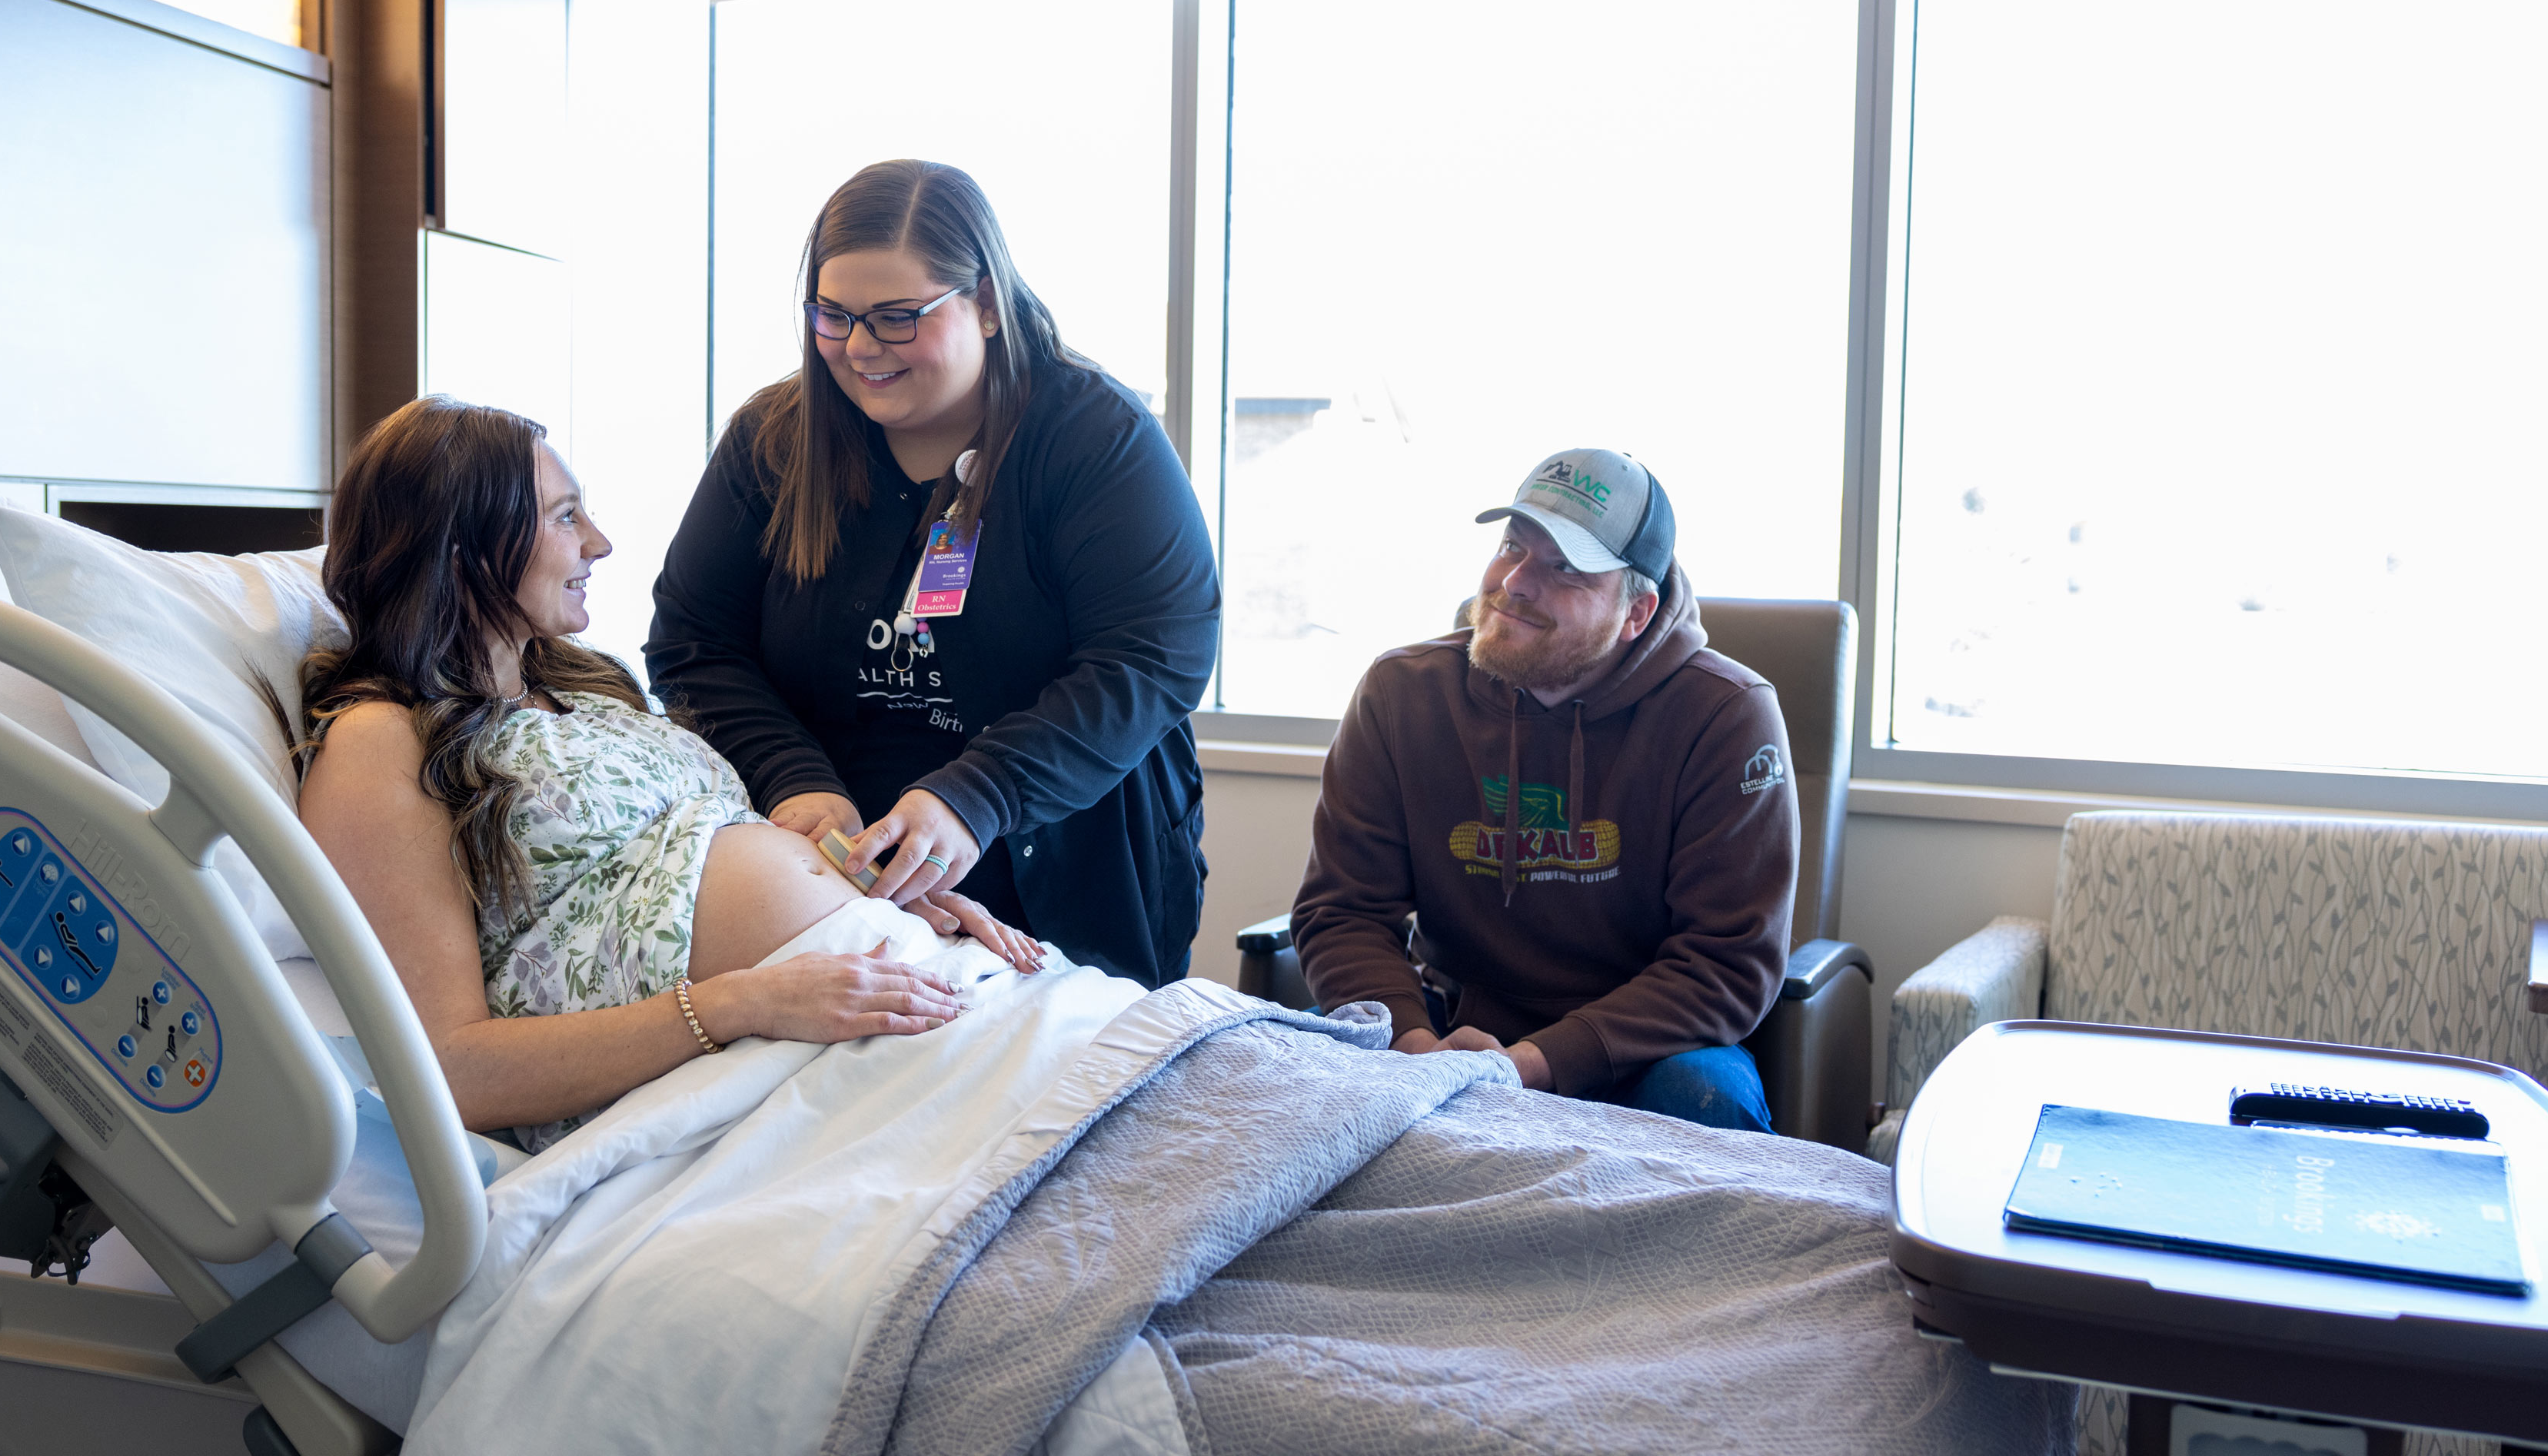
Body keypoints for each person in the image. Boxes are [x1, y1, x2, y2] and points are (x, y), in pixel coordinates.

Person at [296, 396, 1045, 1150]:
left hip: (860, 988)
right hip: (741, 1057)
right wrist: (742, 1003)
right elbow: (450, 1068)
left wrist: (877, 888)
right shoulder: (380, 739)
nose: (600, 542)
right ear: (460, 546)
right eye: (565, 516)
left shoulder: (584, 687)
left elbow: (695, 848)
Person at [648, 160, 1218, 988]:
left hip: (1064, 871)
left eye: (897, 317)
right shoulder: (772, 441)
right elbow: (695, 643)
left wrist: (977, 795)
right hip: (838, 880)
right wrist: (793, 781)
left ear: (986, 302)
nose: (860, 348)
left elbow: (1153, 657)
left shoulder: (1095, 436)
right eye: (834, 316)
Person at [1290, 448, 1799, 1132]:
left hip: (1646, 1046)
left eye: (1566, 568)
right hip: (1447, 1026)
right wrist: (1417, 1049)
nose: (1516, 582)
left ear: (1637, 612)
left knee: (1703, 1096)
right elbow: (1343, 912)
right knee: (1297, 1077)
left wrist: (1525, 1065)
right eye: (1512, 546)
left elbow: (1726, 962)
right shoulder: (1402, 693)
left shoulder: (1725, 714)